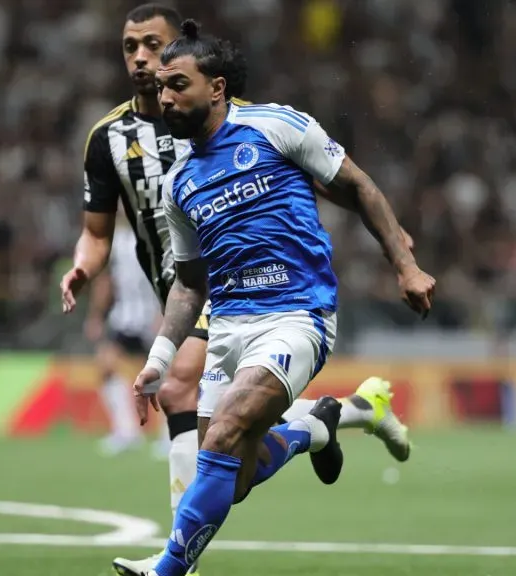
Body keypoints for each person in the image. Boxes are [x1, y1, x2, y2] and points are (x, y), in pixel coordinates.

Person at [59, 5, 414, 575]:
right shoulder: (174, 180)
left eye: (177, 81)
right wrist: (156, 352)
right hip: (225, 321)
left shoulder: (274, 125)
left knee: (222, 430)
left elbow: (356, 185)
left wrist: (403, 259)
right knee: (231, 473)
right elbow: (187, 284)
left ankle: (172, 566)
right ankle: (317, 425)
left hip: (295, 314)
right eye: (136, 54)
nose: (161, 88)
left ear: (214, 85)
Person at [87, 215, 163, 456]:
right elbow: (105, 281)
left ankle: (169, 434)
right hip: (125, 317)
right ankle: (127, 430)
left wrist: (165, 311)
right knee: (105, 366)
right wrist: (97, 316)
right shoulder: (115, 241)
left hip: (153, 316)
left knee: (163, 375)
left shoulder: (156, 236)